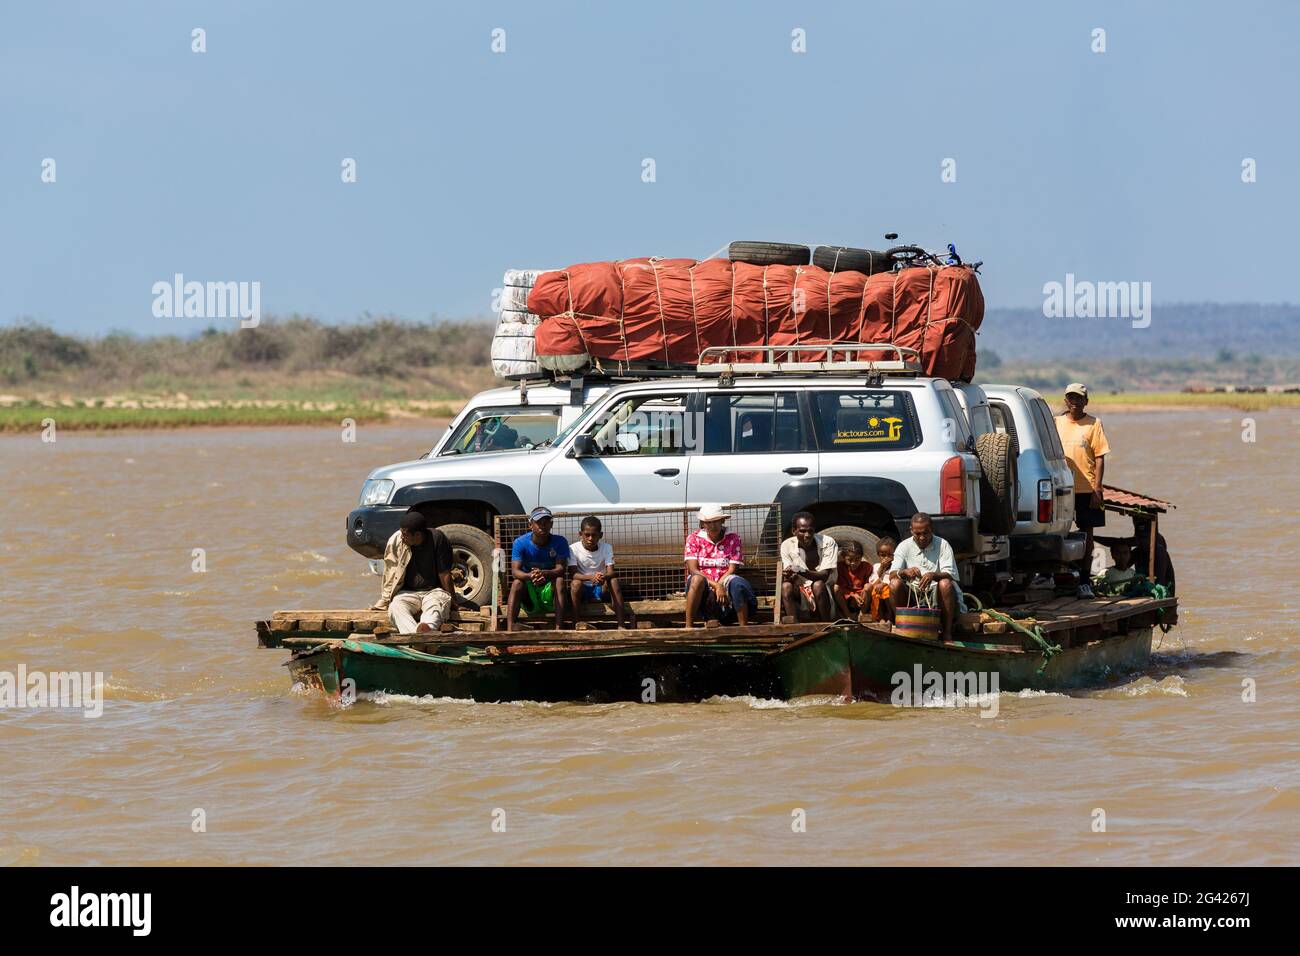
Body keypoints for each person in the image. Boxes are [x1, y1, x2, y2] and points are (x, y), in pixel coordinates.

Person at [1055, 383, 1111, 598]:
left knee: (1087, 536)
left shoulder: (1094, 424)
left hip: (1087, 488)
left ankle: (1085, 581)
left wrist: (1097, 489)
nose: (1075, 403)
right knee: (1059, 533)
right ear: (1066, 401)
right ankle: (1059, 577)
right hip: (1061, 488)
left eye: (1079, 399)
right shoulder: (1056, 422)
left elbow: (1099, 457)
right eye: (1071, 398)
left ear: (1086, 401)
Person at [371, 511, 455, 635]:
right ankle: (419, 636)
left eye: (405, 535)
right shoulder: (397, 541)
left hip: (433, 591)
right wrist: (385, 599)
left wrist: (453, 601)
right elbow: (390, 573)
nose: (402, 537)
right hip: (407, 592)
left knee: (436, 607)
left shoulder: (438, 539)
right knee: (395, 608)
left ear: (417, 535)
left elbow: (445, 574)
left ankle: (424, 631)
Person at [888, 513, 965, 641]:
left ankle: (947, 633)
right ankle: (903, 628)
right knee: (894, 584)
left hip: (935, 592)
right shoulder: (904, 546)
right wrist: (904, 572)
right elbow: (892, 574)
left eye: (926, 533)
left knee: (945, 583)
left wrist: (933, 575)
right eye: (918, 534)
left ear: (931, 530)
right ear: (911, 531)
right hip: (912, 593)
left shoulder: (943, 544)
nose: (922, 537)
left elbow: (950, 574)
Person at [684, 503, 757, 628]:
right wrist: (716, 585)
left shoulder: (733, 538)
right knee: (696, 580)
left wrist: (721, 585)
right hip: (704, 582)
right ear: (703, 523)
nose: (713, 526)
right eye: (709, 522)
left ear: (722, 520)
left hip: (726, 578)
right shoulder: (693, 538)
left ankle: (744, 628)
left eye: (717, 521)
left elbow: (732, 569)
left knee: (738, 583)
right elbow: (693, 569)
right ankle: (688, 626)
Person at [507, 506, 571, 631]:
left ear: (551, 524)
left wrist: (545, 573)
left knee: (560, 581)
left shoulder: (560, 541)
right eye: (538, 522)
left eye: (546, 522)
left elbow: (561, 569)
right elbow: (515, 572)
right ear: (530, 524)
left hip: (549, 589)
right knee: (516, 583)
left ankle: (559, 628)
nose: (543, 525)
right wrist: (531, 576)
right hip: (530, 588)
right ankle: (510, 628)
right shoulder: (520, 542)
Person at [567, 515, 636, 628]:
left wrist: (603, 577)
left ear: (600, 535)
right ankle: (576, 623)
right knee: (575, 583)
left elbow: (611, 572)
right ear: (580, 534)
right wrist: (591, 577)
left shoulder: (607, 547)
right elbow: (573, 574)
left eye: (594, 535)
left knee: (613, 581)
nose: (590, 538)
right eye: (587, 535)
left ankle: (621, 624)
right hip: (583, 588)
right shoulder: (573, 549)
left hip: (601, 587)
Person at [779, 512, 838, 621]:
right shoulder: (786, 545)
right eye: (802, 531)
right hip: (800, 588)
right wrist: (789, 575)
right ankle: (793, 627)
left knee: (818, 585)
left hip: (824, 589)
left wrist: (800, 570)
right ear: (794, 531)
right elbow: (791, 576)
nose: (807, 535)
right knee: (786, 586)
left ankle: (825, 624)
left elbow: (824, 576)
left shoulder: (828, 542)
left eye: (810, 531)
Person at [866, 537, 896, 623]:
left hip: (889, 592)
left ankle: (890, 617)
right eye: (883, 555)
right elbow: (873, 581)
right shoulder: (876, 566)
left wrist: (884, 584)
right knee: (876, 591)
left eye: (890, 555)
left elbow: (893, 579)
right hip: (878, 590)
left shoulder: (895, 566)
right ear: (878, 555)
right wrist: (882, 567)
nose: (886, 558)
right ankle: (881, 617)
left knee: (886, 590)